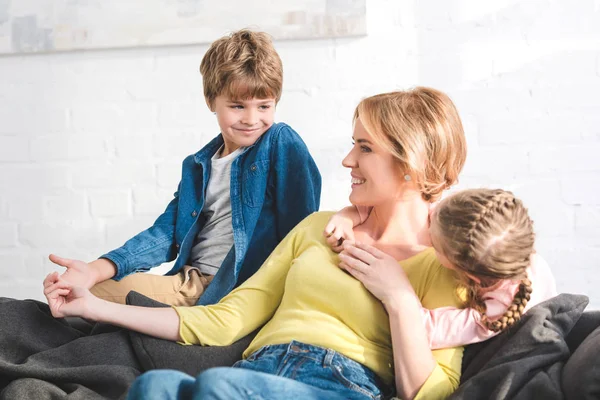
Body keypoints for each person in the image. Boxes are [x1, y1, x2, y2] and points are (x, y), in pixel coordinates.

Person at [45, 87, 469, 400]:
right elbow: (226, 319)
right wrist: (93, 305)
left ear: (410, 165)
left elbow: (432, 390)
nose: (347, 161)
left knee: (218, 386)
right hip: (257, 368)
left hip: (340, 385)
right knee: (154, 386)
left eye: (364, 148)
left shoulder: (443, 264)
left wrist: (398, 297)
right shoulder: (319, 229)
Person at [49, 29, 321, 307]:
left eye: (264, 106)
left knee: (86, 298)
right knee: (90, 289)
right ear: (210, 100)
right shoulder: (198, 166)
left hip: (226, 287)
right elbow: (167, 233)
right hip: (188, 279)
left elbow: (301, 229)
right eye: (238, 106)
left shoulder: (280, 142)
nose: (252, 119)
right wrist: (95, 269)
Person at [327, 188, 557, 349]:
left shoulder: (495, 314)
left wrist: (397, 287)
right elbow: (414, 207)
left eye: (433, 244)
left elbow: (426, 331)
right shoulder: (471, 224)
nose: (426, 228)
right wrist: (349, 215)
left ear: (467, 274)